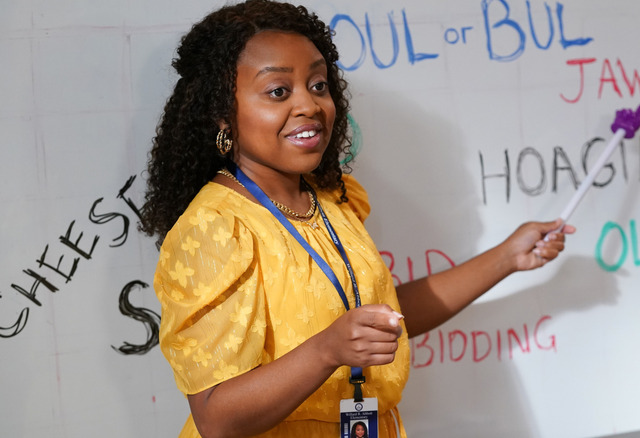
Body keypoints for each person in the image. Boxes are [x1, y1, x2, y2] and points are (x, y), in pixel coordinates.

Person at [140, 1, 575, 437]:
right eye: (278, 91)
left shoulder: (334, 199)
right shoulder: (214, 230)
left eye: (318, 84)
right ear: (222, 115)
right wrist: (327, 350)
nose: (309, 105)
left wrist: (507, 258)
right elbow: (216, 417)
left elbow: (381, 319)